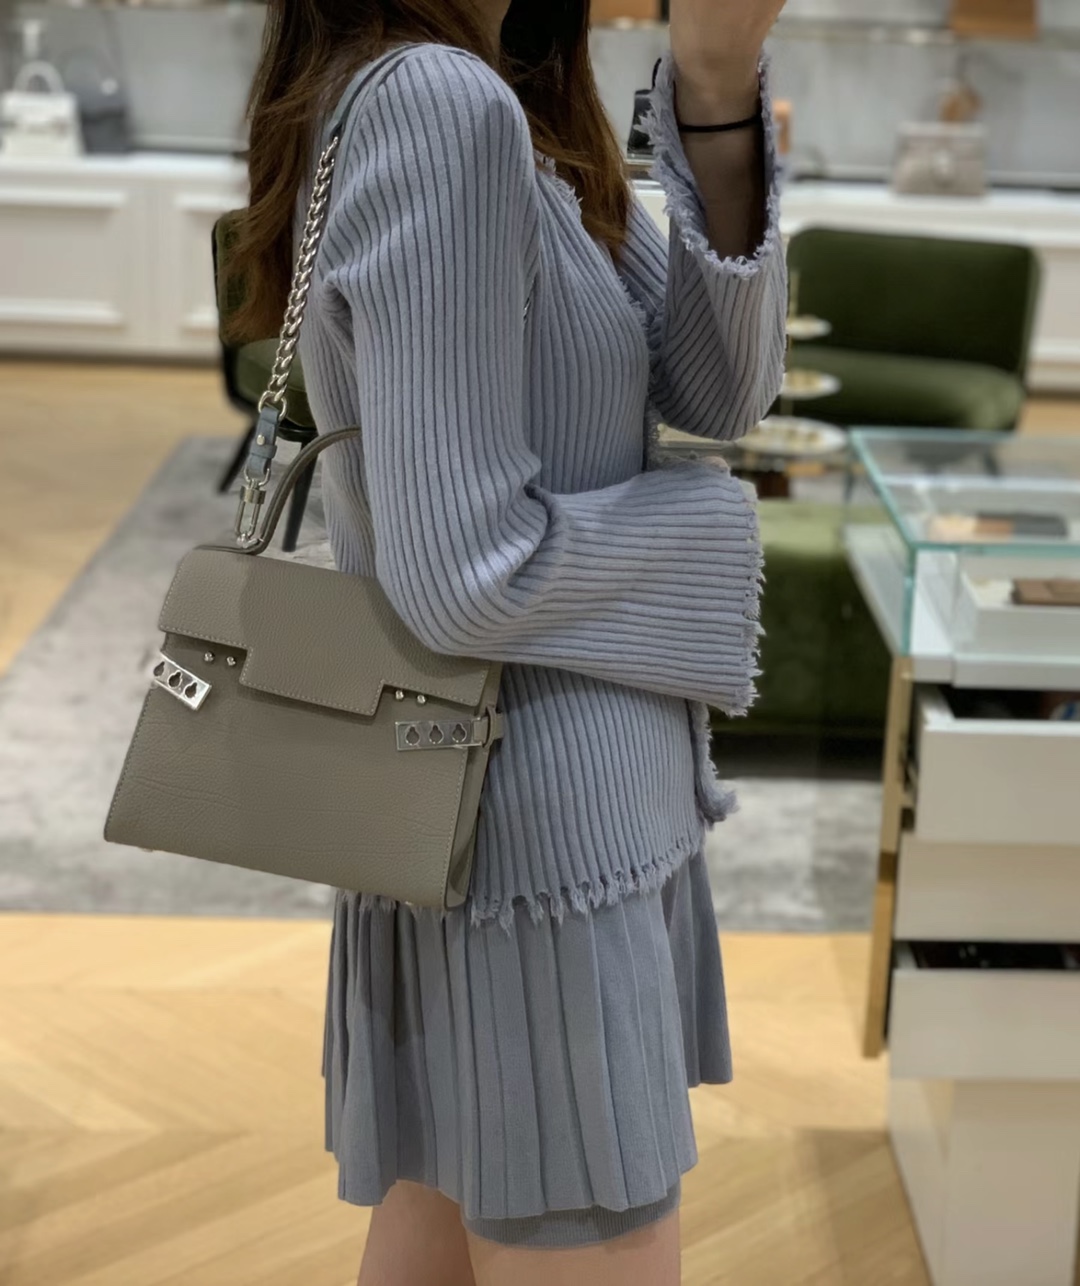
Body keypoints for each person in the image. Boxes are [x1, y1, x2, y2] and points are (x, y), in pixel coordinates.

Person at [232, 0, 786, 1281]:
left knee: (434, 1235)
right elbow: (459, 574)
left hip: (495, 818)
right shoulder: (442, 104)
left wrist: (714, 84)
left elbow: (720, 387)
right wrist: (712, 532)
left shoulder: (499, 96)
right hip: (539, 845)